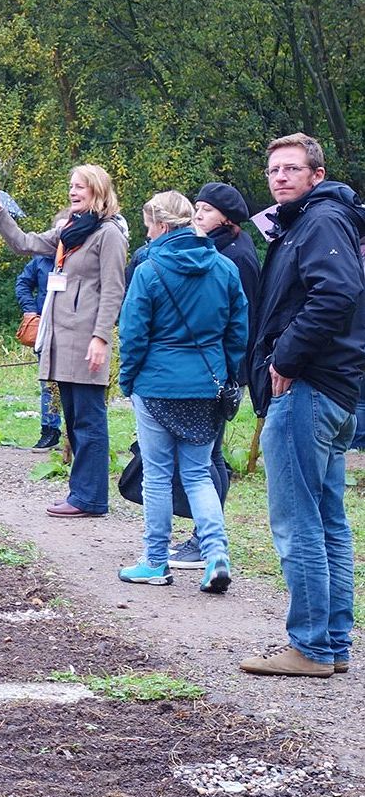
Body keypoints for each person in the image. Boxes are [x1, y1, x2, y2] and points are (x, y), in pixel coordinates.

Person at [240, 133, 365, 679]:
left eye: (292, 169)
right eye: (273, 171)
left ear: (317, 175)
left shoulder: (320, 221)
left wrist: (285, 361)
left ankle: (311, 646)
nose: (281, 177)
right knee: (328, 520)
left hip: (308, 389)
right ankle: (332, 644)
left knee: (299, 522)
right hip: (331, 391)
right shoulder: (310, 223)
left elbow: (336, 295)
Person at [0, 165, 128, 517]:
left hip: (87, 339)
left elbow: (113, 290)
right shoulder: (69, 230)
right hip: (62, 339)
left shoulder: (109, 234)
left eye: (81, 187)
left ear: (98, 191)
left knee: (89, 419)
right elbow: (23, 243)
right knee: (74, 420)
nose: (73, 192)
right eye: (71, 186)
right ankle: (81, 494)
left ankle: (91, 499)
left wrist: (101, 337)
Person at [116, 191, 247, 593]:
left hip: (156, 385)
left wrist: (129, 379)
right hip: (207, 386)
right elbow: (237, 331)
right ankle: (216, 554)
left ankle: (155, 562)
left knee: (157, 476)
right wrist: (227, 375)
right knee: (198, 474)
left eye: (147, 226)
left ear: (159, 225)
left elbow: (133, 332)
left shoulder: (149, 268)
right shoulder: (224, 268)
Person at [166, 182, 262, 570]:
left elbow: (243, 320)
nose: (197, 216)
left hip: (221, 369)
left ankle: (205, 540)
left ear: (226, 217)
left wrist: (231, 374)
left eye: (204, 210)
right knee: (210, 455)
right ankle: (205, 536)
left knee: (208, 458)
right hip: (212, 367)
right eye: (196, 209)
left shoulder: (236, 256)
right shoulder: (219, 249)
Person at [14, 251, 61, 451]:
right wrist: (30, 309)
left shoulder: (81, 256)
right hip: (46, 327)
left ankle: (76, 435)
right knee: (48, 381)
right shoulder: (40, 261)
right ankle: (50, 431)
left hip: (75, 327)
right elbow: (22, 283)